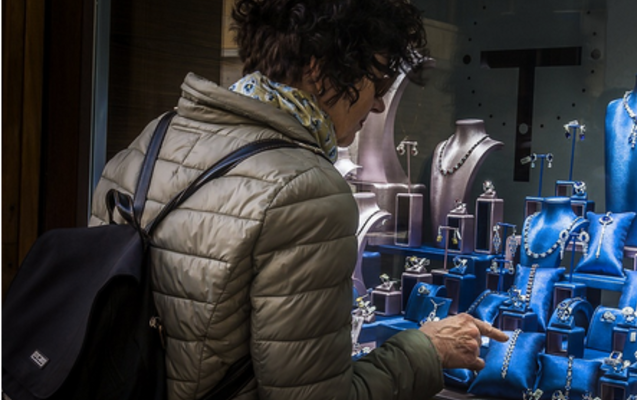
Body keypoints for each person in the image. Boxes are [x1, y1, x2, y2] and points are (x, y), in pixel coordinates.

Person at [89, 1, 507, 399]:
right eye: (378, 82)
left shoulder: (150, 142)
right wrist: (427, 350)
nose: (379, 103)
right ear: (320, 68)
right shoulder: (308, 189)